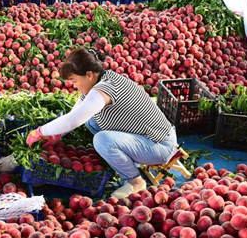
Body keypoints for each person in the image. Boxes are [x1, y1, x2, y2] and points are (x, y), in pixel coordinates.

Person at [27, 48, 178, 200]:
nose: (73, 85)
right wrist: (56, 134)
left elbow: (74, 120)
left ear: (89, 75)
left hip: (160, 145)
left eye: (74, 80)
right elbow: (74, 115)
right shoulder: (102, 80)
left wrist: (39, 132)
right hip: (146, 138)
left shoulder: (105, 89)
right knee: (92, 121)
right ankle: (121, 160)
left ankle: (136, 182)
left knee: (102, 140)